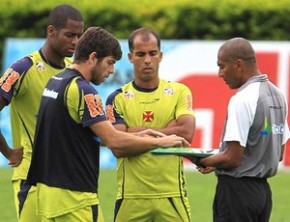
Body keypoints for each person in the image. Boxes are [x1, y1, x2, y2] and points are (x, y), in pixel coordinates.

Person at [26, 26, 189, 222]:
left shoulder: (56, 81)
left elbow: (91, 134)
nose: (111, 71)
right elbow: (114, 141)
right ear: (93, 57)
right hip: (75, 199)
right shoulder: (84, 90)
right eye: (110, 63)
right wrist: (160, 142)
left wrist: (141, 135)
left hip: (47, 196)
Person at [189, 37, 290, 222]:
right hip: (263, 195)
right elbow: (279, 153)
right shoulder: (278, 95)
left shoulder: (242, 99)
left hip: (236, 193)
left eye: (222, 66)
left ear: (238, 65)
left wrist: (199, 159)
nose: (220, 73)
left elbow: (232, 159)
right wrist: (217, 162)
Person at [0, 4, 84, 221]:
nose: (75, 42)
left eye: (79, 36)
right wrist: (8, 151)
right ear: (51, 31)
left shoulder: (72, 71)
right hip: (32, 177)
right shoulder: (23, 68)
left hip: (66, 179)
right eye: (69, 35)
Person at [106, 27, 196, 222]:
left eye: (152, 53)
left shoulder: (179, 91)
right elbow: (118, 147)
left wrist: (133, 132)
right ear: (130, 57)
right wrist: (169, 133)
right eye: (140, 54)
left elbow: (187, 133)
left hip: (172, 195)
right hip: (131, 197)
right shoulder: (117, 98)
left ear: (160, 55)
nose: (147, 60)